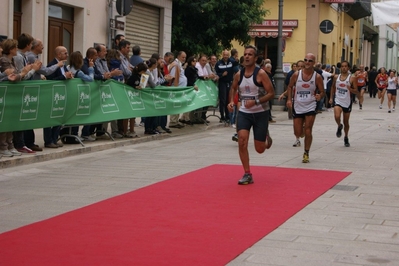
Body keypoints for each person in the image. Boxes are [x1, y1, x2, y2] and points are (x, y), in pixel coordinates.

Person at [227, 45, 274, 185]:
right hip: (244, 113)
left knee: (260, 149)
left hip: (260, 113)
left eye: (250, 54)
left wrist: (256, 101)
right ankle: (247, 174)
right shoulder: (238, 74)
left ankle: (266, 137)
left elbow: (271, 93)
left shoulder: (261, 74)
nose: (247, 56)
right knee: (242, 141)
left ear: (255, 58)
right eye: (245, 54)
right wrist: (231, 101)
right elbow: (233, 88)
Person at [286, 53, 325, 163]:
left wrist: (319, 96)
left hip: (310, 106)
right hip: (298, 105)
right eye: (306, 60)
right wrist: (289, 99)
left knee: (308, 131)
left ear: (314, 63)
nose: (307, 62)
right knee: (297, 133)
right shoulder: (296, 75)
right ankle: (301, 131)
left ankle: (306, 152)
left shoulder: (317, 77)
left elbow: (323, 91)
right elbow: (289, 87)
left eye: (310, 61)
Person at [45, 46, 74, 148]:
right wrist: (64, 77)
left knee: (59, 118)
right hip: (53, 94)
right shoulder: (52, 64)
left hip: (62, 94)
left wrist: (68, 75)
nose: (67, 55)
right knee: (50, 119)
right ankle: (48, 141)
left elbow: (64, 75)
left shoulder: (64, 64)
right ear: (59, 54)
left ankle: (54, 138)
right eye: (65, 53)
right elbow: (50, 79)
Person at [329, 61, 358, 147]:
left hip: (347, 102)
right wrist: (331, 98)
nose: (344, 68)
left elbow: (356, 91)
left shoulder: (352, 78)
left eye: (345, 66)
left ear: (348, 68)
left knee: (346, 122)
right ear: (340, 68)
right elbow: (333, 87)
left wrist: (351, 89)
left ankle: (346, 137)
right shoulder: (336, 77)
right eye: (342, 66)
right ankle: (339, 125)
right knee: (337, 116)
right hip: (338, 100)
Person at [216, 50, 238, 123]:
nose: (226, 56)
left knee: (228, 99)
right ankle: (222, 116)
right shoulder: (219, 63)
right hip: (222, 82)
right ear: (222, 55)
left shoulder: (231, 62)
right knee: (223, 99)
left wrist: (237, 60)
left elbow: (236, 65)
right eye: (224, 55)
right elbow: (216, 73)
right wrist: (222, 74)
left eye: (227, 55)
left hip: (230, 82)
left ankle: (228, 116)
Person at [168, 51, 187, 128]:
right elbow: (172, 77)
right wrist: (175, 88)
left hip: (180, 88)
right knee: (175, 105)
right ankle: (173, 121)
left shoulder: (179, 64)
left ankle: (176, 121)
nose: (184, 59)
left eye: (185, 57)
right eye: (183, 57)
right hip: (176, 89)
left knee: (178, 105)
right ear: (178, 56)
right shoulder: (175, 65)